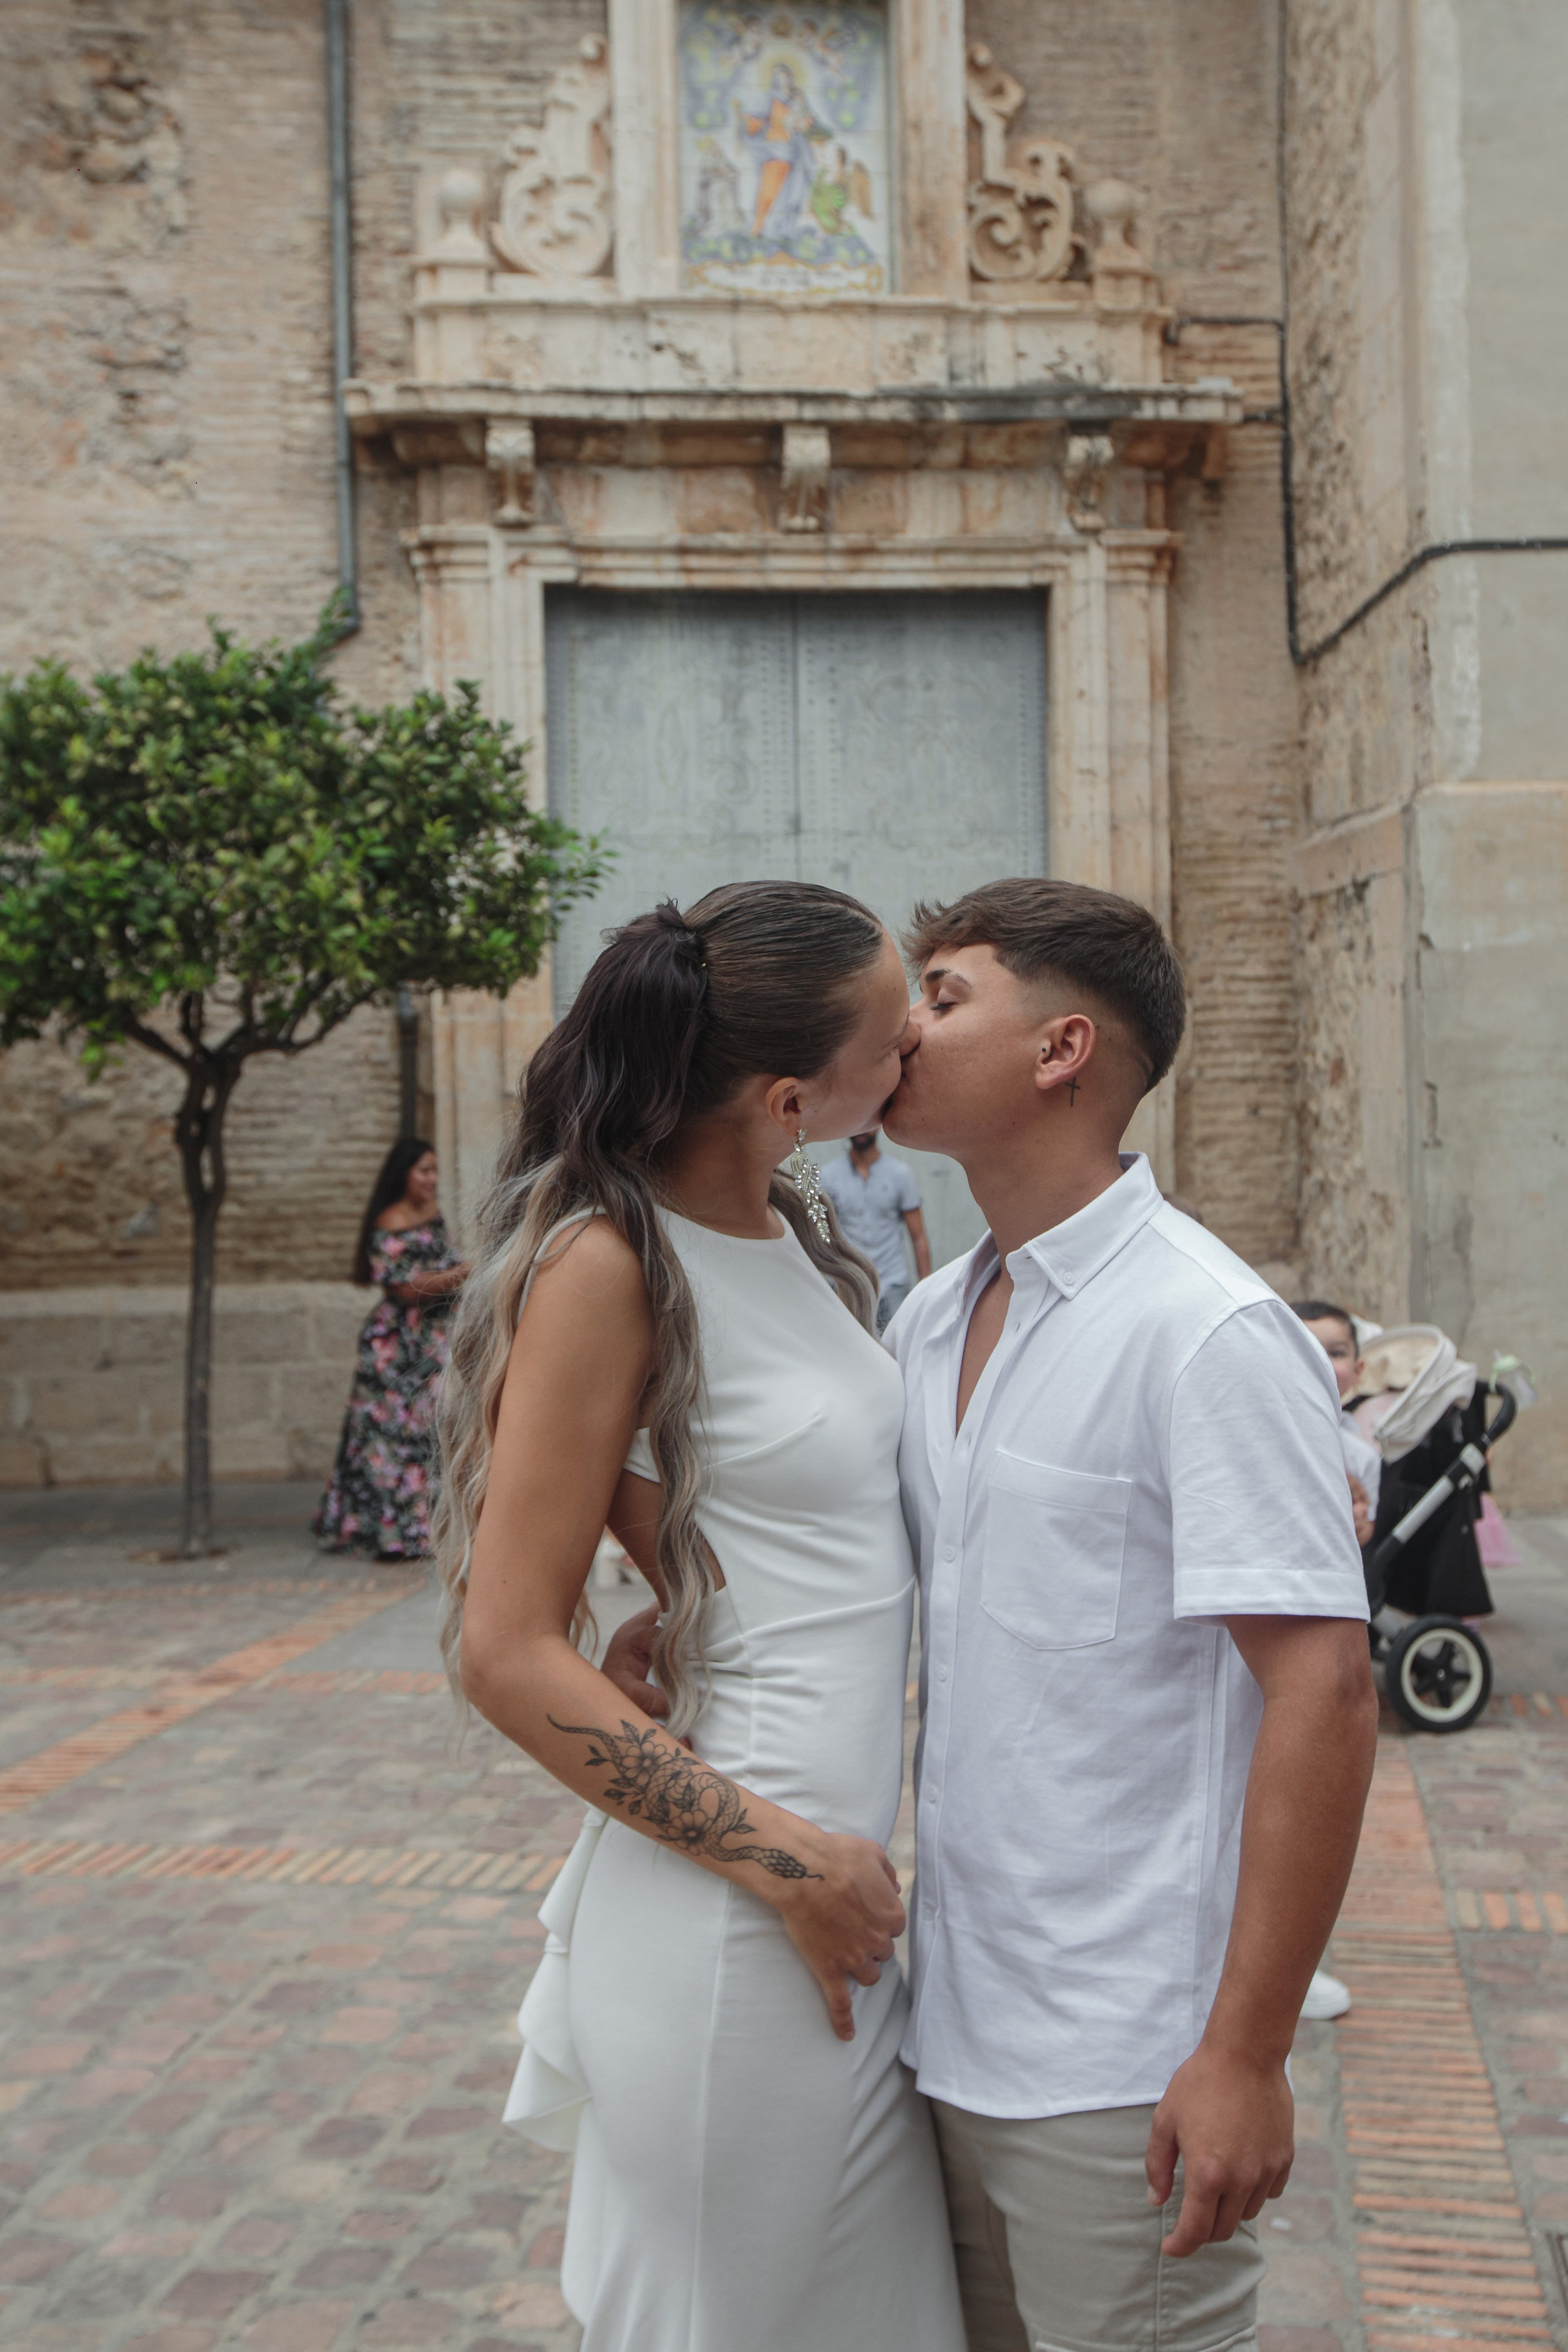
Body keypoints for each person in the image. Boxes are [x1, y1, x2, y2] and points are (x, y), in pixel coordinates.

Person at [609, 878, 1377, 2352]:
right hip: (944, 2029)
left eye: (946, 997)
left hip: (1130, 2060)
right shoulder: (931, 1317)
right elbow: (890, 1571)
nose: (902, 1026)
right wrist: (677, 1614)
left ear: (1062, 1049)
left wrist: (1246, 2052)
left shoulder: (1204, 1329)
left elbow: (1326, 1695)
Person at [436, 887, 964, 2352]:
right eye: (896, 1027)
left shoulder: (791, 1232)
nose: (920, 1041)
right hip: (742, 1918)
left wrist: (684, 1603)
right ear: (793, 1099)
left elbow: (759, 1519)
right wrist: (782, 1859)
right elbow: (504, 1649)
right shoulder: (607, 1265)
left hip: (831, 1906)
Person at [313, 1136, 467, 1561]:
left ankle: (424, 1527)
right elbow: (405, 1287)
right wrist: (464, 1274)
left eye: (435, 1170)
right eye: (424, 1171)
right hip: (397, 1346)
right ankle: (388, 1533)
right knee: (389, 1438)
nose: (433, 1179)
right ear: (404, 1174)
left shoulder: (431, 1213)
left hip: (432, 1342)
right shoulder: (389, 1220)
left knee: (428, 1432)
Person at [819, 1127, 932, 1329]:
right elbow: (823, 1238)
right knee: (852, 1345)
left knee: (898, 1344)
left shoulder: (900, 1174)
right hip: (850, 1283)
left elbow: (918, 1237)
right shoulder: (828, 1176)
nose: (861, 1129)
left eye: (867, 1123)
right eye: (856, 1123)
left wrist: (926, 1290)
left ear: (878, 1125)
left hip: (894, 1282)